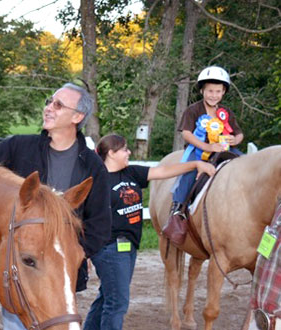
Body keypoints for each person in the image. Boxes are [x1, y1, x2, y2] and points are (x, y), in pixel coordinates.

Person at [0, 82, 111, 330]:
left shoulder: (93, 166)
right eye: (49, 102)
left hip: (58, 281)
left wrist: (70, 255)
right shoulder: (22, 146)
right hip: (21, 270)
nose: (49, 108)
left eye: (58, 104)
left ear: (77, 116)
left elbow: (100, 227)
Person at [83, 133, 216, 330]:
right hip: (108, 248)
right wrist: (84, 253)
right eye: (124, 149)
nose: (129, 152)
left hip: (129, 247)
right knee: (118, 304)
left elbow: (163, 171)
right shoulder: (97, 181)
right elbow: (85, 218)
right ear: (111, 153)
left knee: (107, 297)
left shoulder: (130, 172)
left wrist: (195, 165)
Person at [167, 65, 243, 226]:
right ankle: (178, 209)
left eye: (218, 91)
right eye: (210, 91)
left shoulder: (225, 112)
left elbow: (239, 133)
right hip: (200, 151)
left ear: (223, 92)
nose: (213, 95)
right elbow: (186, 133)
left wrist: (234, 141)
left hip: (224, 150)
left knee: (246, 165)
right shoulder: (193, 110)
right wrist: (208, 147)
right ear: (202, 91)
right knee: (189, 173)